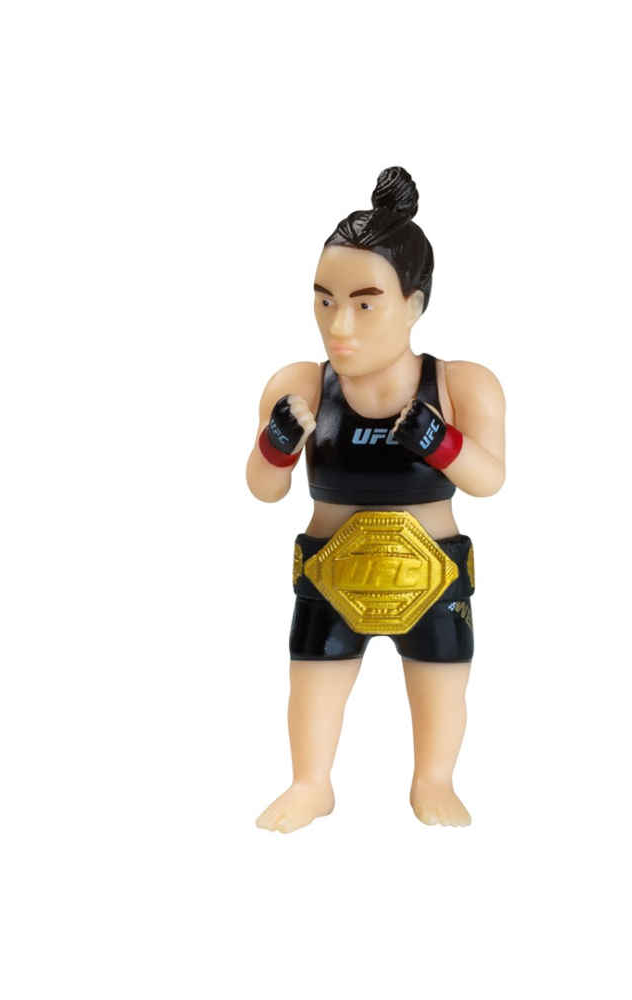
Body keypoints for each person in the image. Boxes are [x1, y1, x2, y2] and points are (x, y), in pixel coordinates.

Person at [247, 167, 505, 832]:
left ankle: (434, 778)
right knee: (313, 681)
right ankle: (310, 783)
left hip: (432, 572)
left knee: (440, 679)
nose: (339, 325)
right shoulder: (301, 383)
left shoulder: (461, 385)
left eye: (365, 304)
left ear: (413, 305)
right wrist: (278, 443)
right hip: (331, 572)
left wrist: (440, 442)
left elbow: (489, 479)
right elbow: (264, 489)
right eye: (325, 301)